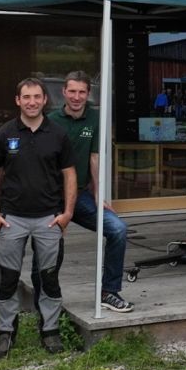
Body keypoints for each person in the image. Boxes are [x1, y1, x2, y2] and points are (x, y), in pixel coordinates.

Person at [0, 77, 76, 358]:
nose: (32, 102)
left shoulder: (58, 134)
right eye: (27, 97)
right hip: (12, 219)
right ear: (18, 100)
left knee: (49, 279)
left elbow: (69, 175)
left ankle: (50, 331)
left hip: (48, 218)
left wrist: (67, 214)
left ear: (45, 100)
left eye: (37, 97)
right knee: (8, 279)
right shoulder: (4, 134)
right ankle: (5, 333)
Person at [49, 71, 135, 313]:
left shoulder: (95, 118)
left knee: (118, 229)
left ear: (89, 94)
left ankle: (108, 291)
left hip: (80, 196)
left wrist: (98, 193)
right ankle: (48, 298)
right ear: (64, 92)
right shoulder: (51, 120)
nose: (77, 97)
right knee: (51, 243)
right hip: (53, 196)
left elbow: (94, 157)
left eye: (82, 92)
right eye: (72, 91)